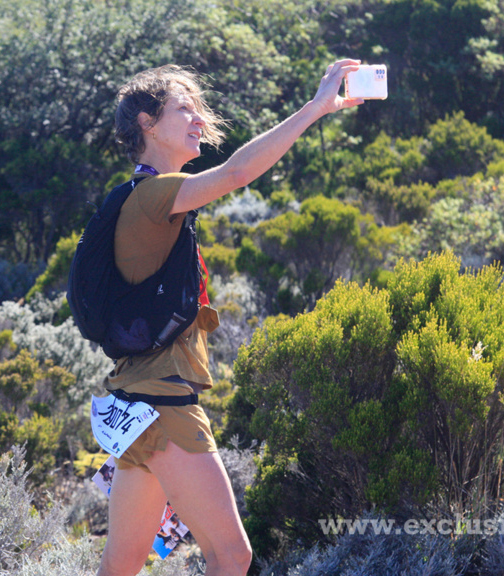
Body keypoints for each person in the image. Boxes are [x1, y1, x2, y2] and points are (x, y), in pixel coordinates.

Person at [96, 59, 364, 576]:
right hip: (164, 405)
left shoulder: (141, 195)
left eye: (198, 108)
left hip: (134, 406)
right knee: (232, 556)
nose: (199, 119)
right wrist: (315, 108)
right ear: (147, 125)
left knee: (122, 564)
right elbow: (238, 173)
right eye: (183, 109)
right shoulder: (154, 195)